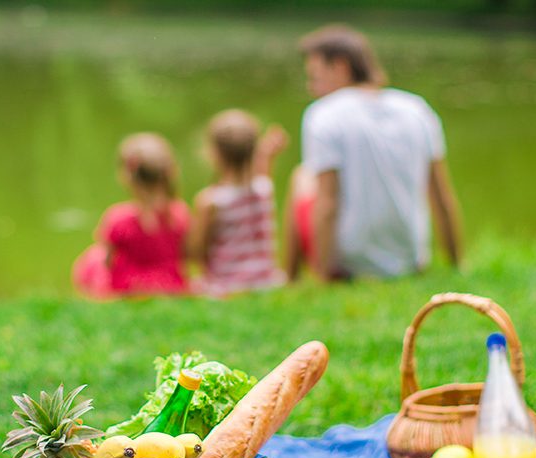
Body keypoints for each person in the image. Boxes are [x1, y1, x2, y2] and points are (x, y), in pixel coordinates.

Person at [286, 24, 464, 282]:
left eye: (315, 76)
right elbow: (441, 196)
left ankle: (291, 279)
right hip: (411, 260)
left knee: (302, 176)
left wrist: (323, 277)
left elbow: (327, 205)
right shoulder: (417, 108)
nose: (312, 88)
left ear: (340, 66)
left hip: (350, 266)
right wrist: (457, 263)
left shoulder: (323, 114)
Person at [72, 133, 190, 298]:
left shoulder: (118, 218)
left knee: (92, 258)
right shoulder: (180, 213)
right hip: (170, 284)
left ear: (126, 177)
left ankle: (87, 295)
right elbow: (186, 255)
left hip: (129, 287)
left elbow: (108, 261)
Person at [187, 109, 288, 297]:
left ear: (214, 154)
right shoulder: (265, 189)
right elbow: (260, 174)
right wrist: (267, 155)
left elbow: (195, 251)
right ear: (254, 151)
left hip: (227, 285)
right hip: (266, 282)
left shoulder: (210, 201)